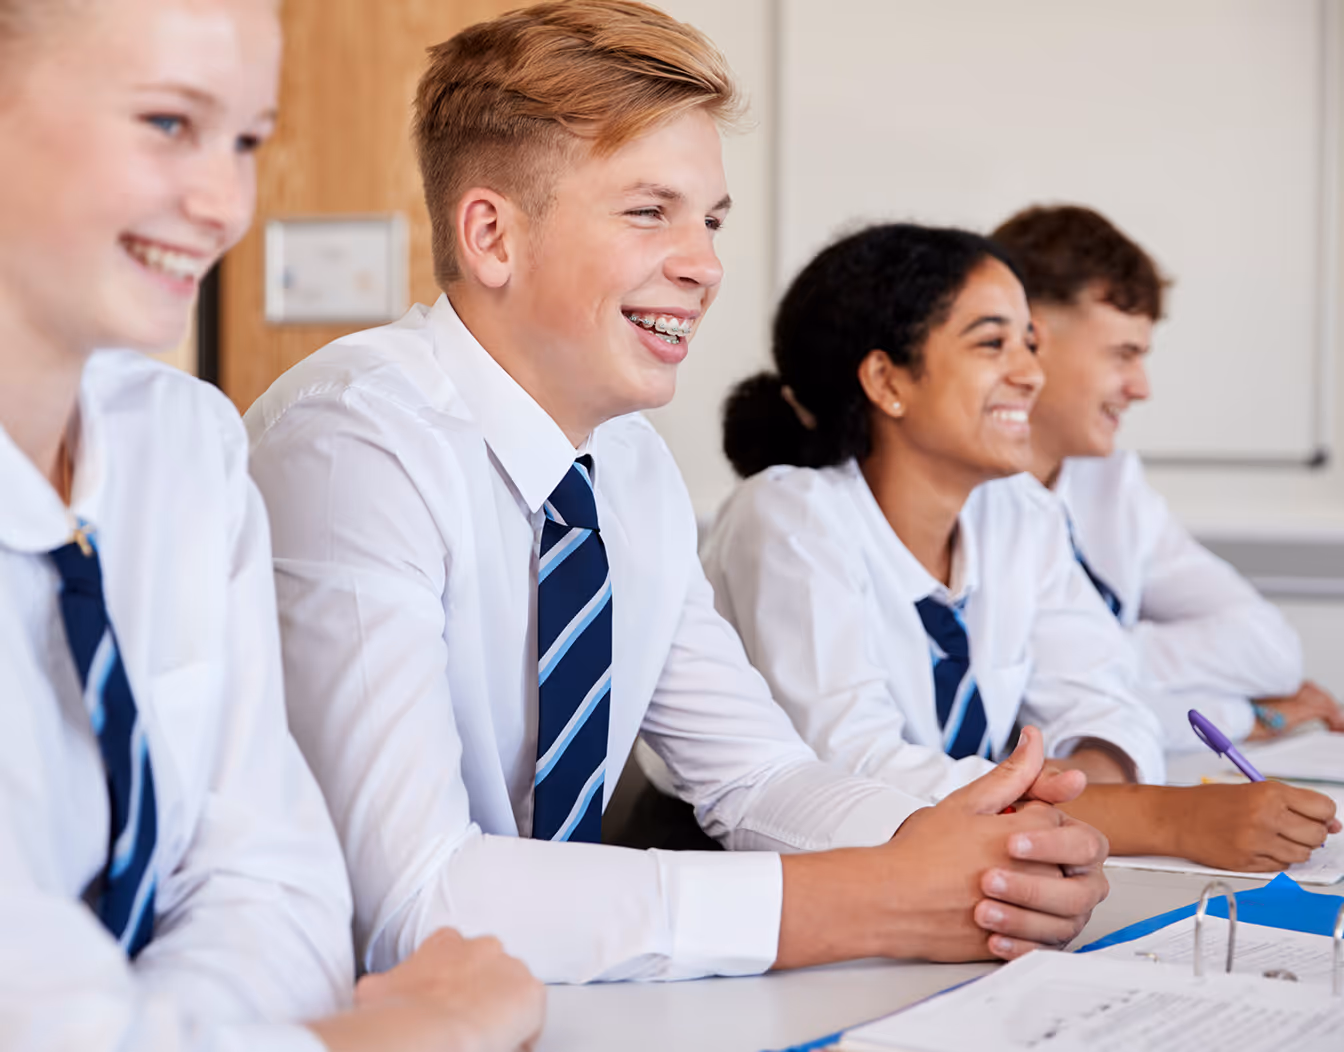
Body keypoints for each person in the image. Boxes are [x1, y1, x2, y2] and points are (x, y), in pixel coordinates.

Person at [245, 0, 1111, 985]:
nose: (704, 265)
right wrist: (872, 894)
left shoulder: (630, 467)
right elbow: (417, 898)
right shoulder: (354, 439)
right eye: (650, 211)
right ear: (492, 236)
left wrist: (978, 853)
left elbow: (754, 774)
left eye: (711, 220)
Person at [0, 1, 544, 1048]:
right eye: (166, 122)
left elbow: (281, 893)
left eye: (247, 139)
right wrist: (433, 1031)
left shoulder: (184, 448)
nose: (225, 203)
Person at [703, 222, 1340, 874]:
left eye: (1030, 345)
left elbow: (1106, 701)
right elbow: (852, 771)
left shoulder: (1018, 513)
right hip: (786, 884)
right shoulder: (789, 517)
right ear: (887, 380)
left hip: (980, 868)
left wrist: (1069, 798)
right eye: (993, 343)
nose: (1032, 374)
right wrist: (1156, 818)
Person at [991, 204, 1344, 750]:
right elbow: (1024, 718)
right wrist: (1242, 718)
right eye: (1123, 355)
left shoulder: (1109, 483)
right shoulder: (960, 494)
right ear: (1028, 340)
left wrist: (1094, 656)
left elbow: (1272, 651)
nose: (1141, 387)